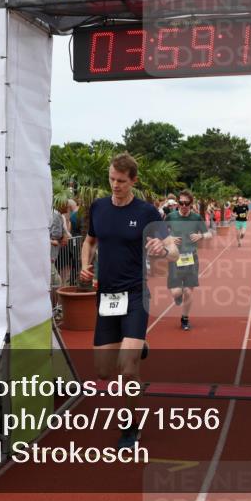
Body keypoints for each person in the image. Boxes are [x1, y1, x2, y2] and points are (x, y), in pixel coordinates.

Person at [79, 153, 177, 449]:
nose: (115, 185)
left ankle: (130, 426)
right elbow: (89, 240)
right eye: (111, 179)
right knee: (103, 371)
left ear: (133, 180)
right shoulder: (98, 207)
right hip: (106, 295)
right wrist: (85, 264)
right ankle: (140, 345)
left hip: (135, 293)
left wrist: (163, 246)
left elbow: (173, 250)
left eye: (121, 181)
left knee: (128, 369)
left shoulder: (147, 212)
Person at [164, 190, 209, 331]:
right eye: (181, 203)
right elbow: (160, 233)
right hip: (175, 258)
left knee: (189, 292)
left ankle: (185, 318)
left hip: (191, 258)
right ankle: (178, 295)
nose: (183, 205)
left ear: (191, 203)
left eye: (186, 203)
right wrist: (169, 239)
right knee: (177, 293)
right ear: (178, 203)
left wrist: (201, 236)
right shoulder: (171, 216)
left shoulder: (196, 218)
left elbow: (209, 233)